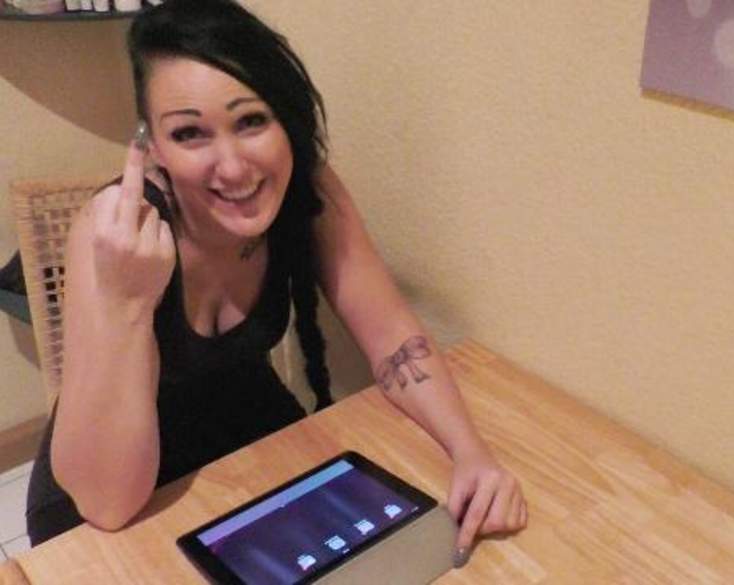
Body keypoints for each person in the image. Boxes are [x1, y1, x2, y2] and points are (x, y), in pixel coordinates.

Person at [25, 0, 526, 567]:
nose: (234, 167)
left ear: (286, 118)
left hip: (246, 434)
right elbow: (107, 503)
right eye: (189, 133)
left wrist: (471, 453)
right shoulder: (115, 229)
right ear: (153, 147)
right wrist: (129, 303)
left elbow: (390, 334)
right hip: (106, 487)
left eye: (251, 121)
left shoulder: (309, 192)